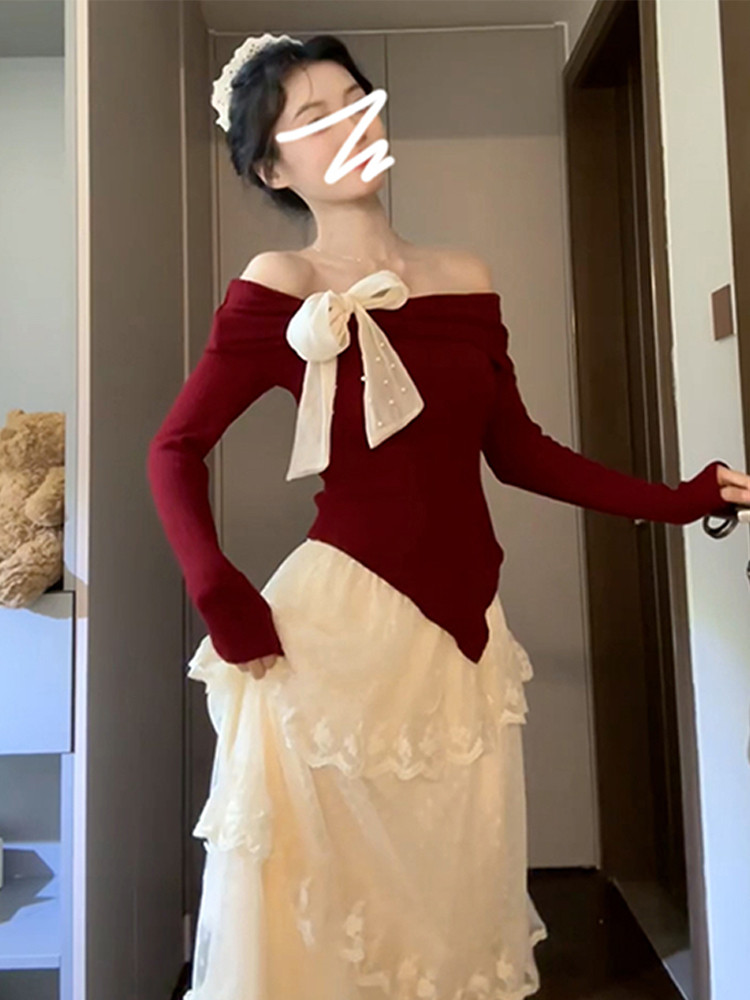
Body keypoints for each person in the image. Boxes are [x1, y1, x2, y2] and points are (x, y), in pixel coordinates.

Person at [146, 33, 746, 1000]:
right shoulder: (281, 282)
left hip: (465, 644)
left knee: (450, 902)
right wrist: (218, 590)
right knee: (324, 922)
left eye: (357, 100)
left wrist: (678, 501)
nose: (350, 124)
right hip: (331, 646)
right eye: (315, 118)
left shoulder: (465, 274)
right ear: (271, 168)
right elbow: (174, 449)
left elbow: (518, 452)